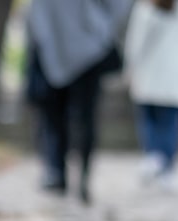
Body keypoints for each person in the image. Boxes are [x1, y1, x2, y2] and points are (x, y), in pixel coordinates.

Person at [26, 0, 131, 205]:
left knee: (82, 115)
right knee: (55, 112)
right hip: (51, 43)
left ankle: (81, 175)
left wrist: (100, 26)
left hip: (87, 49)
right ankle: (57, 171)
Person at [124, 0, 178, 190]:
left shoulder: (144, 10)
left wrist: (129, 70)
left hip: (150, 76)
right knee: (171, 123)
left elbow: (135, 44)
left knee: (150, 120)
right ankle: (167, 166)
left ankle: (153, 155)